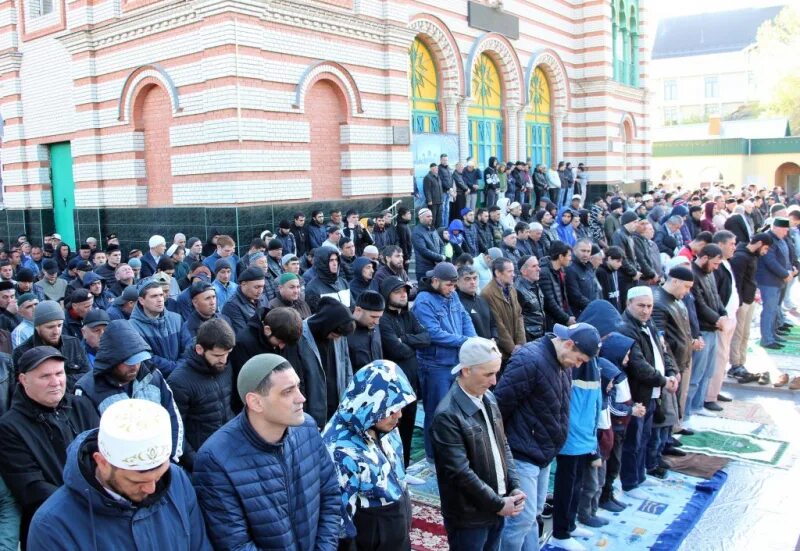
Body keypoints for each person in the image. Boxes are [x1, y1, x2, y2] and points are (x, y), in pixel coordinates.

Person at [193, 354, 341, 550]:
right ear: (255, 402)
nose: (301, 398)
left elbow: (330, 494)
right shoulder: (215, 459)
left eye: (298, 386)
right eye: (288, 391)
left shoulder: (307, 427)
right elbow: (234, 543)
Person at [27, 399, 211, 551]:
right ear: (102, 462)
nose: (152, 488)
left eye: (159, 475)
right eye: (136, 481)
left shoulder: (176, 480)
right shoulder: (52, 526)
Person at [495, 323, 600, 551]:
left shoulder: (562, 360)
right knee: (520, 519)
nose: (579, 365)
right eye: (580, 359)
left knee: (533, 514)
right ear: (569, 344)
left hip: (543, 453)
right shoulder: (530, 360)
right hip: (522, 453)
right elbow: (499, 407)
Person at [431, 338, 524, 551]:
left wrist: (514, 486)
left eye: (496, 373)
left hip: (495, 505)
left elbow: (503, 445)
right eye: (488, 374)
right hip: (469, 516)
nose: (494, 381)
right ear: (465, 371)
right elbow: (461, 473)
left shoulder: (488, 398)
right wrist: (499, 504)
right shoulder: (447, 415)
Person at [0, 347, 99, 547]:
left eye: (59, 373)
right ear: (23, 379)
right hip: (54, 527)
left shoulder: (82, 406)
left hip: (99, 514)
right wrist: (85, 506)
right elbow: (31, 487)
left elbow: (103, 455)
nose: (55, 382)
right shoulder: (9, 427)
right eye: (45, 376)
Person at [322, 360, 416, 550]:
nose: (398, 415)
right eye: (391, 409)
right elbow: (339, 525)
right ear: (371, 405)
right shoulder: (340, 450)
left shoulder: (386, 427)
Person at [74, 319, 183, 463]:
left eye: (138, 360)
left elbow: (173, 417)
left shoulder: (153, 376)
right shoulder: (87, 389)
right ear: (112, 360)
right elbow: (89, 440)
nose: (135, 367)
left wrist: (171, 458)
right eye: (128, 362)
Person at [617, 287, 677, 500]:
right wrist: (663, 380)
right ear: (629, 304)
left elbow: (663, 351)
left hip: (652, 391)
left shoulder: (648, 323)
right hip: (637, 393)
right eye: (641, 306)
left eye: (649, 306)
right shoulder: (625, 328)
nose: (645, 310)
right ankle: (630, 482)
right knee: (633, 440)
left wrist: (671, 372)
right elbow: (637, 364)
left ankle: (640, 476)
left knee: (644, 437)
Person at [413, 262, 476, 461]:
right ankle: (434, 457)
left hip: (455, 361)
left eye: (454, 285)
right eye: (448, 285)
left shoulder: (453, 294)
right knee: (436, 413)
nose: (452, 289)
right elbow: (433, 334)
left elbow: (465, 319)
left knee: (456, 410)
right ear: (435, 281)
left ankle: (453, 452)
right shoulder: (423, 301)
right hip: (435, 365)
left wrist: (473, 341)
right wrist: (466, 341)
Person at [169, 319, 236, 472]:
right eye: (218, 355)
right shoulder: (179, 381)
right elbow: (177, 431)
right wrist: (197, 462)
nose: (223, 360)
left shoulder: (225, 366)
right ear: (199, 349)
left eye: (227, 354)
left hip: (229, 449)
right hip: (203, 460)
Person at [379, 277, 429, 467]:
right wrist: (411, 344)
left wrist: (405, 338)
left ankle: (405, 468)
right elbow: (396, 350)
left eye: (405, 291)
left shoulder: (408, 316)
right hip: (392, 387)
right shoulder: (383, 319)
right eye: (398, 291)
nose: (403, 295)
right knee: (393, 432)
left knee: (408, 427)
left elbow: (426, 338)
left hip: (411, 384)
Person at [297, 297, 355, 427]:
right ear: (327, 325)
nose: (336, 339)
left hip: (337, 408)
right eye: (334, 335)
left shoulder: (340, 336)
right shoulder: (300, 337)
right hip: (313, 412)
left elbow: (346, 365)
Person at [13, 301, 90, 393]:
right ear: (37, 327)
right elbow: (22, 387)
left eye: (59, 325)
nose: (56, 331)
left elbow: (87, 375)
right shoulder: (22, 352)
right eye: (50, 327)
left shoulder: (73, 343)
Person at [687, 245, 728, 418]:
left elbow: (716, 298)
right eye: (715, 263)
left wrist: (723, 314)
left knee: (706, 372)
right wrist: (716, 319)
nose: (716, 267)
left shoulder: (709, 273)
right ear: (704, 258)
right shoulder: (693, 274)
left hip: (713, 328)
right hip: (702, 329)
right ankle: (687, 412)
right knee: (696, 375)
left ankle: (698, 406)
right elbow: (699, 305)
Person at [728, 233, 772, 378]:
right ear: (759, 243)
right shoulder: (741, 257)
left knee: (745, 334)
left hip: (749, 299)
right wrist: (738, 304)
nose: (765, 252)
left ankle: (741, 362)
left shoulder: (752, 256)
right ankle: (735, 364)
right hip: (742, 302)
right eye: (765, 248)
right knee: (738, 334)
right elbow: (737, 283)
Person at [129, 281, 184, 378]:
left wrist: (181, 367)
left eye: (161, 295)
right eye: (154, 296)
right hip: (154, 379)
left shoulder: (177, 319)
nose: (160, 300)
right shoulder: (132, 327)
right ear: (142, 301)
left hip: (181, 376)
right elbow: (146, 359)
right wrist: (178, 368)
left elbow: (188, 347)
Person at [756, 218, 795, 350]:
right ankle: (767, 339)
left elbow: (785, 257)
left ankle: (772, 334)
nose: (786, 232)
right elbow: (770, 261)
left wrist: (791, 270)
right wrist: (785, 274)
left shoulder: (780, 239)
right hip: (768, 281)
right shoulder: (769, 239)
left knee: (773, 310)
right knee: (769, 311)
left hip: (777, 280)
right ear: (776, 228)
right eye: (784, 230)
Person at [481, 258, 525, 363]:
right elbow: (498, 325)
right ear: (497, 273)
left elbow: (519, 316)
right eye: (509, 271)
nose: (513, 274)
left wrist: (521, 344)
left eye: (513, 271)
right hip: (502, 354)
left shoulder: (512, 289)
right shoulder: (487, 294)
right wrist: (512, 348)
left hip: (518, 350)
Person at [221, 267, 268, 336]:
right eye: (257, 287)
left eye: (262, 287)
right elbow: (242, 335)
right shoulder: (231, 306)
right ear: (243, 284)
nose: (260, 291)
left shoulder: (263, 298)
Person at [538, 241, 575, 330]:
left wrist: (570, 316)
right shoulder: (544, 273)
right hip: (551, 322)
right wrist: (566, 318)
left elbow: (564, 299)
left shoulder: (560, 271)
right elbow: (549, 301)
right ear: (561, 257)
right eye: (569, 256)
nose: (570, 259)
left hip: (560, 319)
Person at [457, 264, 497, 340]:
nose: (472, 282)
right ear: (457, 282)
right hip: (472, 349)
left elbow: (493, 324)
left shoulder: (482, 300)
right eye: (467, 279)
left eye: (475, 278)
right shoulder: (457, 305)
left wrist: (494, 338)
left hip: (490, 347)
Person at [348, 291, 384, 372]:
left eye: (379, 317)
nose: (377, 322)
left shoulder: (374, 325)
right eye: (373, 317)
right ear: (358, 310)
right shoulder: (344, 333)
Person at [306, 248, 350, 313]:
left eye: (336, 260)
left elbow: (352, 307)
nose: (335, 263)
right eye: (331, 260)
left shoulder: (343, 282)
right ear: (322, 262)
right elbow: (317, 316)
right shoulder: (312, 288)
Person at [565, 238, 599, 319]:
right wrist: (594, 307)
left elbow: (595, 290)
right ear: (574, 250)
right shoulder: (570, 268)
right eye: (583, 251)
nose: (586, 254)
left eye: (588, 251)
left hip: (591, 312)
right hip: (579, 315)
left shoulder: (589, 267)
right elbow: (575, 296)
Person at [515, 255, 545, 342]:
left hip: (539, 334)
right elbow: (518, 319)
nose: (539, 269)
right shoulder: (518, 290)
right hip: (529, 338)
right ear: (524, 271)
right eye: (534, 266)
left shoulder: (535, 284)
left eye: (538, 265)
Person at [412, 208, 445, 279]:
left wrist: (441, 257)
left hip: (436, 268)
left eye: (431, 216)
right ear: (420, 217)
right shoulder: (417, 232)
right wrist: (440, 257)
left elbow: (442, 244)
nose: (431, 218)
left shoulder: (432, 229)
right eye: (428, 216)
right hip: (424, 270)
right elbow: (423, 250)